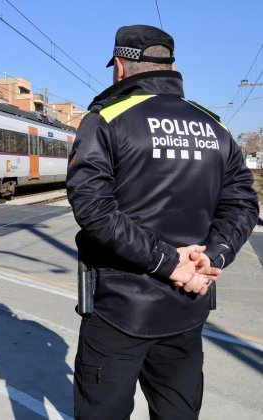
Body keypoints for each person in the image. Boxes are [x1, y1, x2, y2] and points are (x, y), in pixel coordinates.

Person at [66, 25, 259, 419]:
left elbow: (94, 210)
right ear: (171, 65)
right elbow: (242, 203)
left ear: (120, 67)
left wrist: (169, 263)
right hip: (188, 307)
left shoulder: (105, 119)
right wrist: (213, 257)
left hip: (119, 309)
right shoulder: (215, 128)